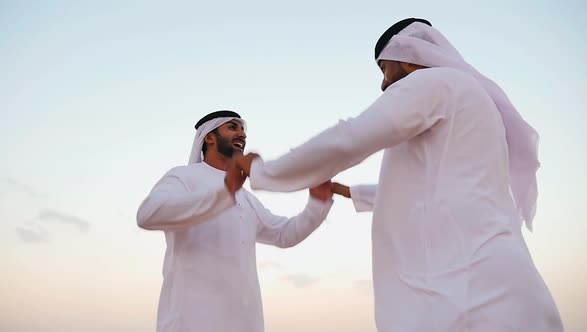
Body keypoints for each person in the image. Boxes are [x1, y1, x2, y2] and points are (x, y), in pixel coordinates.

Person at [230, 19, 563, 331]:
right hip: (504, 283)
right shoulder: (469, 98)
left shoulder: (432, 82)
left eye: (384, 67)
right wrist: (346, 191)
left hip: (465, 291)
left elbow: (349, 139)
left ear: (407, 58)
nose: (383, 82)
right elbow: (431, 186)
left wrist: (262, 170)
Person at [136, 110, 333, 332]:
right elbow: (147, 214)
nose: (242, 134)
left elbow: (284, 234)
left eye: (243, 129)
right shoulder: (182, 177)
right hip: (191, 321)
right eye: (232, 127)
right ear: (209, 137)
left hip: (245, 323)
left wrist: (317, 204)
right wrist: (223, 192)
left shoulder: (245, 198)